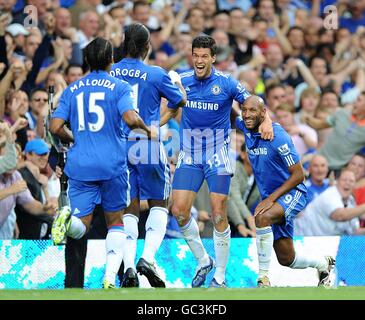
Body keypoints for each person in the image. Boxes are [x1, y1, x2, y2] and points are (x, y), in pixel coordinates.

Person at [162, 35, 273, 288]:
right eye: (196, 56)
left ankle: (220, 278)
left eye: (204, 56)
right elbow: (170, 109)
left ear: (213, 58)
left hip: (218, 153)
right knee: (179, 211)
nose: (199, 61)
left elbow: (252, 102)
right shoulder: (183, 81)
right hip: (189, 152)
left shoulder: (227, 83)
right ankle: (203, 260)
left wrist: (265, 120)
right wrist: (149, 126)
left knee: (218, 213)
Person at [50, 37, 153, 289]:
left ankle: (66, 218)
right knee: (116, 221)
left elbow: (54, 126)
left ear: (86, 60)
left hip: (80, 165)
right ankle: (108, 279)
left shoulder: (72, 89)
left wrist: (74, 137)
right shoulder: (119, 87)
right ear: (111, 59)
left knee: (80, 225)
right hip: (112, 165)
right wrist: (146, 128)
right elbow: (129, 118)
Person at [110, 23, 186, 288]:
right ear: (146, 47)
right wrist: (160, 122)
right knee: (159, 204)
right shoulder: (156, 73)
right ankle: (148, 258)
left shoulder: (111, 72)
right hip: (148, 144)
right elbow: (180, 101)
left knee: (128, 209)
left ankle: (129, 268)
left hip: (119, 147)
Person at [235, 96, 335, 288]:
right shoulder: (246, 127)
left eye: (252, 110)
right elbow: (230, 112)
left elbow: (298, 175)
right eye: (244, 110)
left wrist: (271, 199)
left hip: (292, 193)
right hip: (273, 200)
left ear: (264, 113)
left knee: (262, 217)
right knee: (287, 258)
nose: (247, 115)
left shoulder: (278, 136)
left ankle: (263, 278)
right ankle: (323, 264)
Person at [295, 169, 365, 236]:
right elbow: (341, 216)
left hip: (322, 243)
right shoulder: (329, 195)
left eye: (351, 181)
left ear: (354, 185)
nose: (347, 183)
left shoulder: (350, 200)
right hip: (299, 240)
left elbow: (352, 232)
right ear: (337, 181)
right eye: (344, 180)